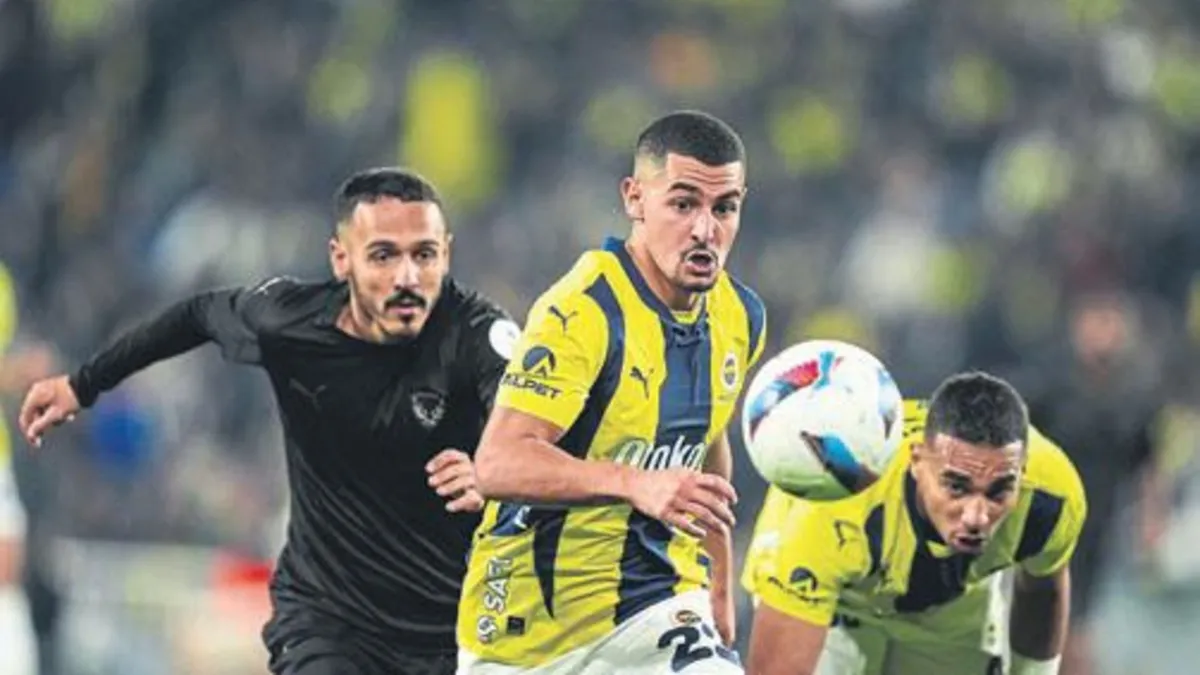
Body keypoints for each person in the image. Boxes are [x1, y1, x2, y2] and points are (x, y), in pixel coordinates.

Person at [17, 168, 521, 675]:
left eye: (424, 254)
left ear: (446, 254)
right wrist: (83, 385)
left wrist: (492, 470)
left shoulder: (479, 335)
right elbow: (197, 316)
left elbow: (536, 427)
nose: (407, 277)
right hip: (327, 620)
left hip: (446, 630)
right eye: (384, 255)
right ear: (341, 259)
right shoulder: (289, 321)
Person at [455, 110, 766, 675]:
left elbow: (708, 441)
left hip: (659, 603)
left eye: (724, 208)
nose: (705, 230)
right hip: (530, 631)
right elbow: (498, 463)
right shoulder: (584, 311)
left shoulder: (740, 315)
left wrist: (719, 580)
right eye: (683, 204)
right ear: (634, 199)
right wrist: (634, 483)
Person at [743, 372, 1087, 675]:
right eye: (957, 487)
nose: (976, 516)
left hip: (949, 608)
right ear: (917, 462)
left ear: (1022, 472)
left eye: (998, 492)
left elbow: (1041, 588)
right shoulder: (835, 507)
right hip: (837, 596)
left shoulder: (1051, 500)